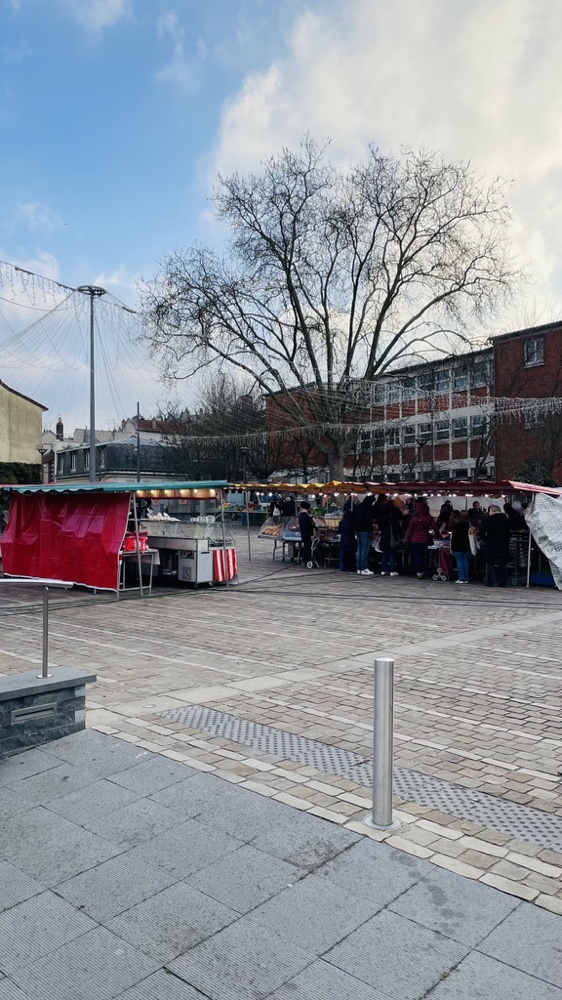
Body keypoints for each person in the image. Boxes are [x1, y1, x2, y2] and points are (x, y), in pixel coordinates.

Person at [404, 499, 439, 578]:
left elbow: (410, 530)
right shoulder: (429, 518)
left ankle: (419, 572)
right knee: (424, 555)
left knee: (417, 556)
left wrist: (407, 540)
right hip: (424, 540)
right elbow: (435, 528)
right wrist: (438, 536)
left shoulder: (414, 518)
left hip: (414, 540)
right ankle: (423, 570)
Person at [479, 504, 510, 587]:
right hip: (503, 543)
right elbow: (508, 534)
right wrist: (506, 542)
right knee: (503, 563)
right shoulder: (505, 520)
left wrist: (486, 540)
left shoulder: (488, 520)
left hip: (491, 543)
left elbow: (481, 532)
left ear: (491, 511)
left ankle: (491, 582)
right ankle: (503, 582)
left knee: (490, 563)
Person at [378, 497, 403, 576]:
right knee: (392, 552)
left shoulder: (382, 511)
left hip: (384, 534)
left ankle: (384, 570)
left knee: (385, 552)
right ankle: (392, 570)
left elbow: (379, 524)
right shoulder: (395, 511)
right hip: (393, 534)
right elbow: (399, 521)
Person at [353, 495, 377, 575]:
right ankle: (363, 567)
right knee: (365, 550)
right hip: (365, 530)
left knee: (359, 549)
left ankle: (359, 568)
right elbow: (368, 519)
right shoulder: (369, 508)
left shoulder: (359, 507)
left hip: (358, 530)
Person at [449, 511, 471, 584]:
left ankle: (461, 577)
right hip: (466, 543)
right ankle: (466, 578)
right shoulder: (466, 523)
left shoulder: (455, 524)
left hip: (457, 544)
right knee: (465, 561)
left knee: (459, 561)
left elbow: (453, 537)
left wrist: (451, 547)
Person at [338, 498, 356, 572]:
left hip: (343, 539)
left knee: (344, 555)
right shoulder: (352, 522)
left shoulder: (341, 522)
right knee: (351, 555)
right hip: (350, 539)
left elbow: (339, 530)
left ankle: (344, 567)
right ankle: (351, 567)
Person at [298, 501, 315, 566]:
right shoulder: (304, 515)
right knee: (307, 546)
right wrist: (313, 526)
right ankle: (306, 559)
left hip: (304, 533)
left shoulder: (303, 515)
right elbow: (307, 525)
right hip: (306, 533)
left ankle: (306, 559)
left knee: (307, 546)